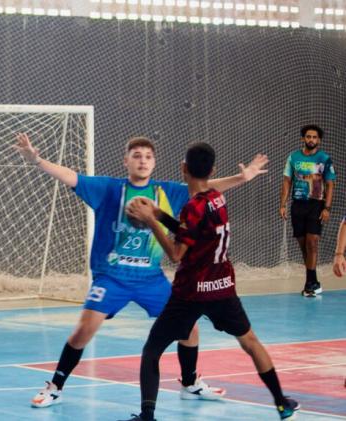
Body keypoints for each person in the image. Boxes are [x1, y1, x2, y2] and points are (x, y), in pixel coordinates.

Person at [14, 133, 269, 408]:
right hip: (112, 276)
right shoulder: (109, 189)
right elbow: (70, 176)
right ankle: (55, 386)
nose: (142, 160)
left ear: (155, 163)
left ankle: (190, 383)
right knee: (84, 328)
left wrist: (243, 177)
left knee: (190, 329)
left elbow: (206, 185)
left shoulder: (165, 192)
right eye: (136, 155)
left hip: (151, 279)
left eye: (148, 156)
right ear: (126, 161)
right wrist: (37, 159)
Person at [123, 142, 299, 421]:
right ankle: (281, 403)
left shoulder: (191, 207)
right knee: (251, 342)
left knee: (152, 350)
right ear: (213, 170)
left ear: (183, 169)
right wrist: (159, 214)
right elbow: (192, 231)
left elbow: (176, 253)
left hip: (191, 291)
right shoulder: (217, 197)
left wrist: (151, 221)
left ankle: (147, 416)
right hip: (221, 287)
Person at [279, 124, 336, 297]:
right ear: (303, 138)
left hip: (316, 205)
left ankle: (309, 284)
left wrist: (326, 207)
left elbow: (330, 184)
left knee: (312, 242)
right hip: (298, 205)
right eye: (308, 136)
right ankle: (313, 280)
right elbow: (287, 181)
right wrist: (282, 204)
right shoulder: (293, 157)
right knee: (304, 246)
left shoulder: (324, 158)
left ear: (318, 140)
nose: (311, 139)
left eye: (314, 137)